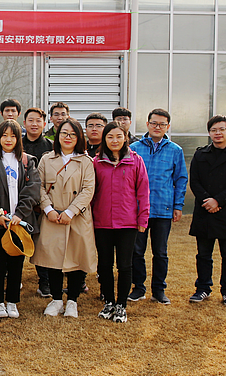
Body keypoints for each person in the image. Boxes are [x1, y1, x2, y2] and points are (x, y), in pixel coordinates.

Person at [31, 118, 96, 319]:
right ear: (57, 136)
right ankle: (57, 299)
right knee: (53, 259)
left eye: (73, 134)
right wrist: (48, 209)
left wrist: (71, 212)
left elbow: (88, 189)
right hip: (52, 215)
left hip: (76, 217)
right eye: (64, 133)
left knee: (76, 259)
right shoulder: (46, 159)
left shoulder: (85, 161)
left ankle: (73, 301)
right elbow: (38, 185)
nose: (68, 137)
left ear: (79, 138)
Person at [0, 120, 40, 319]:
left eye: (13, 136)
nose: (8, 139)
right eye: (4, 135)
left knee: (16, 264)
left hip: (18, 222)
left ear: (19, 138)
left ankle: (12, 301)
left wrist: (19, 214)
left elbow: (32, 190)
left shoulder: (28, 161)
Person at [92, 122, 150, 323]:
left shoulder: (136, 161)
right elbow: (91, 192)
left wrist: (143, 218)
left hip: (127, 222)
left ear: (126, 138)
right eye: (110, 137)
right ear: (104, 139)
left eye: (119, 136)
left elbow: (143, 192)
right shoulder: (97, 162)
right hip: (102, 222)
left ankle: (121, 305)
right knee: (104, 264)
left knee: (125, 265)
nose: (114, 140)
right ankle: (109, 301)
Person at [129, 108, 188, 305]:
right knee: (137, 251)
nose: (157, 127)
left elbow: (181, 179)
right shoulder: (134, 148)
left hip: (163, 209)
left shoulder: (175, 150)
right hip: (138, 210)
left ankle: (159, 290)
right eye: (154, 123)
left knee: (160, 252)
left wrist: (178, 205)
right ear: (147, 124)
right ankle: (138, 288)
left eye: (162, 124)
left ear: (168, 127)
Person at [188, 115, 226, 307]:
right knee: (203, 255)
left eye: (221, 129)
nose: (218, 133)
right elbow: (194, 181)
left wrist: (218, 201)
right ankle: (203, 288)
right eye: (214, 130)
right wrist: (208, 201)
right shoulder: (200, 154)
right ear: (209, 133)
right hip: (204, 209)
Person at [21, 106, 54, 298]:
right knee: (17, 242)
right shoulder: (17, 144)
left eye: (38, 121)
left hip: (43, 203)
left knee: (43, 244)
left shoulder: (51, 147)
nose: (34, 124)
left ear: (44, 123)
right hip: (21, 202)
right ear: (24, 123)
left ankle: (45, 282)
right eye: (30, 120)